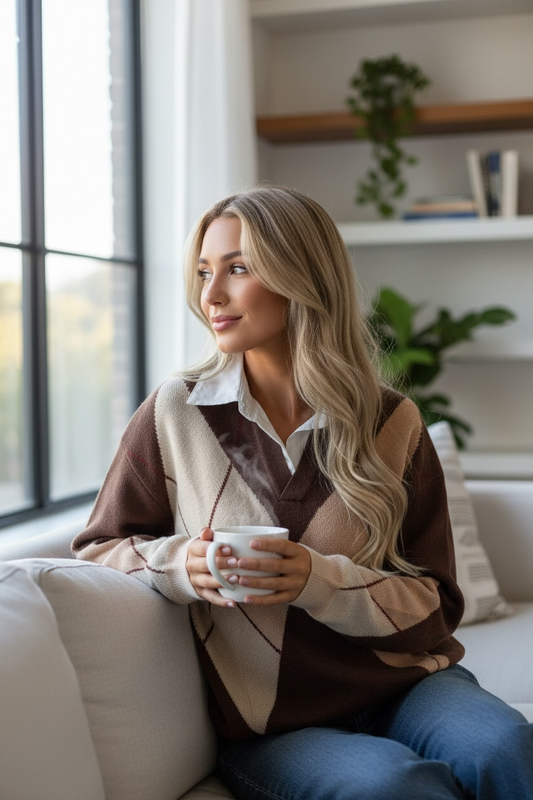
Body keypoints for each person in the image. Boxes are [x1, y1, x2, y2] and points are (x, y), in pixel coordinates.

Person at [73, 186, 533, 800]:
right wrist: (184, 562)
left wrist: (318, 580)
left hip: (407, 686)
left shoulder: (392, 422)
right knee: (391, 789)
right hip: (272, 726)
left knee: (506, 748)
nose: (211, 295)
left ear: (301, 275)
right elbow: (99, 548)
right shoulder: (174, 413)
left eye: (238, 268)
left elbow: (436, 603)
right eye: (206, 272)